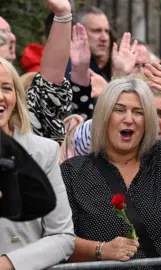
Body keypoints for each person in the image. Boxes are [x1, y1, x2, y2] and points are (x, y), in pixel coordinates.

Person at [61, 59, 161, 270]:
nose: (129, 119)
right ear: (104, 116)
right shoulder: (73, 172)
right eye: (120, 110)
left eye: (138, 112)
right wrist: (100, 249)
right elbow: (59, 239)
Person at [0, 39, 75, 270]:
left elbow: (63, 237)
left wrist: (9, 263)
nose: (0, 96)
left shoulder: (43, 152)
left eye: (5, 88)